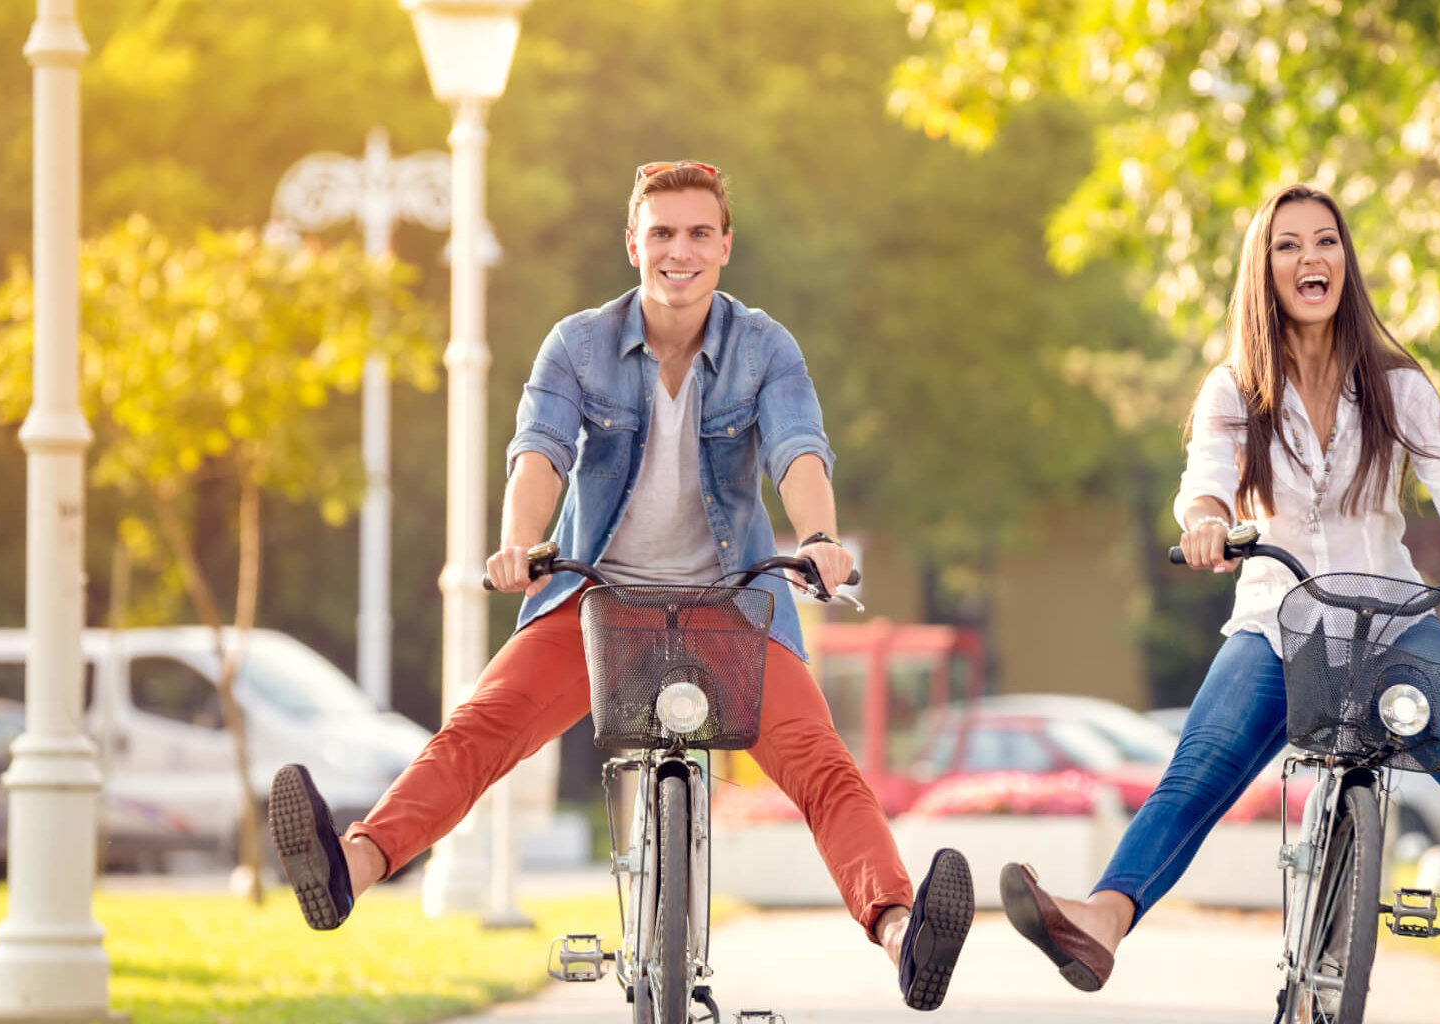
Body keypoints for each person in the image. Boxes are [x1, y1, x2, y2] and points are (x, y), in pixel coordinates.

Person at [267, 161, 974, 1012]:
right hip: (595, 603)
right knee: (479, 730)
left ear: (725, 247)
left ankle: (905, 935)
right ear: (634, 242)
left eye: (699, 233)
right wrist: (516, 545)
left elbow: (798, 448)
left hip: (730, 609)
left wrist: (818, 538)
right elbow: (540, 450)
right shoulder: (578, 344)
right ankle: (350, 868)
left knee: (824, 769)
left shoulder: (765, 347)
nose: (681, 250)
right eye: (663, 233)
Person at [998, 182, 1440, 993]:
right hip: (1279, 621)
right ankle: (1098, 925)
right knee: (1197, 770)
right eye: (1290, 244)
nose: (1312, 257)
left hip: (1395, 624)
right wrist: (1206, 525)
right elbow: (1204, 486)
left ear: (1347, 261)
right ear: (1263, 271)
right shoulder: (1233, 391)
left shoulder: (1399, 386)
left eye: (1326, 241)